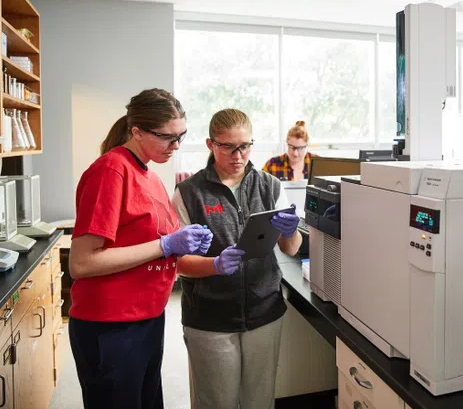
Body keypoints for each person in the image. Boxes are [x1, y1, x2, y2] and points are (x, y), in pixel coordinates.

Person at [68, 88, 213, 409]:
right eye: (167, 138)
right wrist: (164, 245)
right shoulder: (111, 170)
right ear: (136, 131)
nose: (176, 147)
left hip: (147, 317)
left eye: (181, 137)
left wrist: (186, 243)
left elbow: (154, 243)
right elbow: (82, 263)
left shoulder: (150, 177)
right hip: (111, 325)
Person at [172, 108, 302, 409]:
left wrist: (292, 231)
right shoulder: (188, 193)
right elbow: (177, 262)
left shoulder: (269, 185)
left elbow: (290, 249)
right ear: (210, 145)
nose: (238, 155)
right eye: (227, 146)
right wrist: (214, 265)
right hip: (210, 316)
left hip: (264, 310)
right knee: (218, 402)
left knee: (259, 400)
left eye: (244, 146)